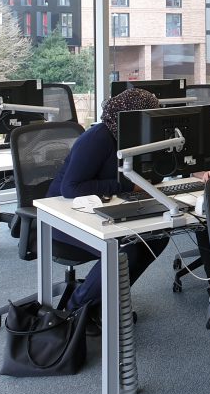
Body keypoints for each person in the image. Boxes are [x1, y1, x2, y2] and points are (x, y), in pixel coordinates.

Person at [47, 89, 171, 311]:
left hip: (103, 209)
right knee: (125, 250)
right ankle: (76, 310)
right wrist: (125, 186)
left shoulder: (131, 137)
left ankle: (107, 298)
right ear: (128, 115)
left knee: (157, 238)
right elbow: (71, 188)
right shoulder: (98, 138)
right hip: (65, 218)